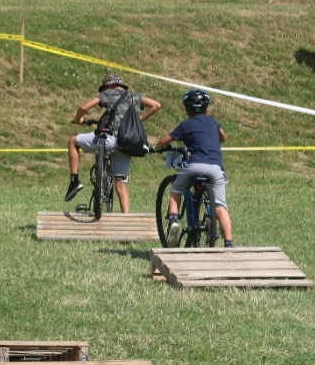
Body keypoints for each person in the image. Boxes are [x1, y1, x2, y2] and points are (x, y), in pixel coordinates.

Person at [65, 72, 162, 212]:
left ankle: (74, 181)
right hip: (126, 144)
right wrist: (140, 119)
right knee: (121, 186)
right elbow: (156, 105)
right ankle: (126, 221)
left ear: (109, 86)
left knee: (73, 141)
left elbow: (83, 108)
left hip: (109, 139)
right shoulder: (135, 97)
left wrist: (78, 119)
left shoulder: (108, 94)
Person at [152, 89, 235, 247]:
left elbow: (165, 140)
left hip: (194, 165)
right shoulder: (212, 122)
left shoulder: (185, 125)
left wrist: (156, 146)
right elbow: (223, 137)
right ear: (206, 108)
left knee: (176, 189)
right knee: (221, 207)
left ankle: (173, 220)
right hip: (216, 168)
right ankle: (229, 243)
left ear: (187, 109)